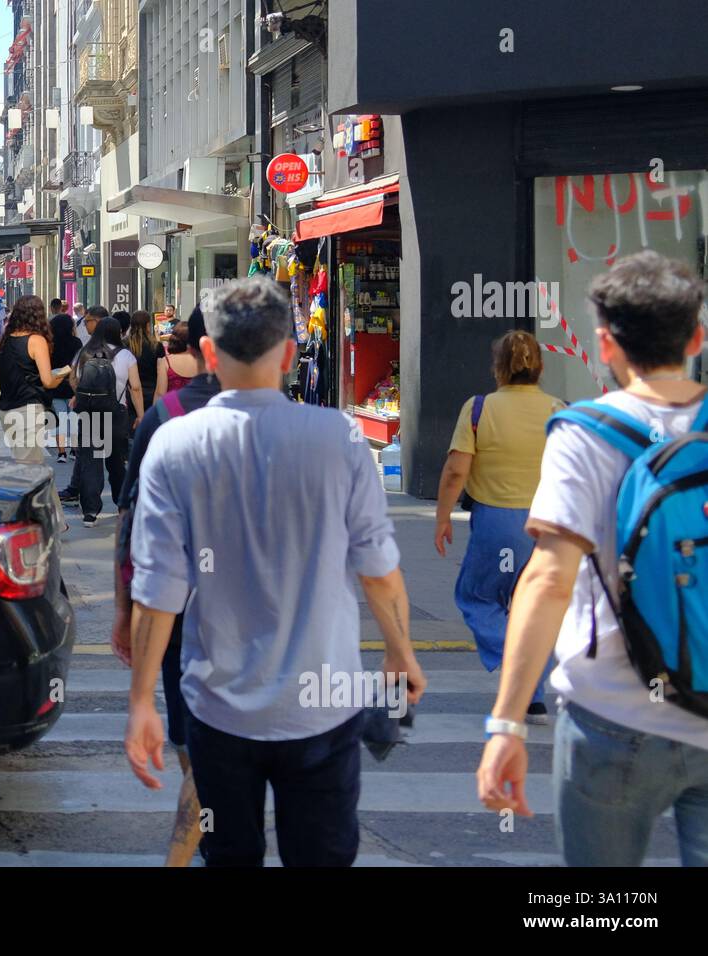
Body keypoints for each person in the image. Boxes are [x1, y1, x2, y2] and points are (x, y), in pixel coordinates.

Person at [124, 276, 426, 867]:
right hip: (323, 709)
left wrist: (140, 702)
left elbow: (158, 591)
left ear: (209, 355)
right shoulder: (338, 437)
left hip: (218, 712)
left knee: (230, 856)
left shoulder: (174, 444)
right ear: (290, 353)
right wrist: (400, 652)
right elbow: (379, 569)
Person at [478, 251, 708, 866]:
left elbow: (550, 579)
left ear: (604, 345)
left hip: (613, 714)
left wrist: (507, 724)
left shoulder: (584, 432)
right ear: (697, 336)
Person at [114, 304, 219, 866]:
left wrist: (123, 608)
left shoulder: (165, 417)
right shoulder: (297, 425)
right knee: (206, 743)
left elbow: (130, 522)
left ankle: (203, 835)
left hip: (178, 609)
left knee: (193, 736)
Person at [435, 331, 562, 722]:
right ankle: (533, 696)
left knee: (478, 597)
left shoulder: (478, 409)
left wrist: (442, 517)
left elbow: (457, 469)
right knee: (536, 608)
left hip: (497, 522)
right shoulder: (560, 410)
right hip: (548, 524)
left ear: (498, 368)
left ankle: (516, 659)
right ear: (539, 367)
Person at [0, 294, 70, 465]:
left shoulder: (1, 343)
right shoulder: (37, 341)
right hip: (29, 411)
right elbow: (48, 381)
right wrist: (64, 374)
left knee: (27, 464)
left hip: (7, 411)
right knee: (29, 469)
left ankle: (45, 492)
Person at [71, 315, 142, 527]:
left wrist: (83, 396)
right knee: (116, 462)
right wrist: (140, 414)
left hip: (90, 413)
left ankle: (90, 513)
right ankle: (122, 506)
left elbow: (73, 378)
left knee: (90, 462)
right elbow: (135, 387)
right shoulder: (126, 355)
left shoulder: (84, 352)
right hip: (116, 413)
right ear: (118, 332)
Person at [60, 305, 110, 502]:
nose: (85, 324)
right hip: (115, 409)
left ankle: (91, 503)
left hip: (91, 409)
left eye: (88, 320)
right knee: (98, 456)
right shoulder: (122, 350)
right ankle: (77, 488)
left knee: (92, 456)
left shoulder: (88, 351)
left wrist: (81, 394)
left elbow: (73, 377)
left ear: (98, 322)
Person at [48, 313, 82, 463]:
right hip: (72, 385)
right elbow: (79, 364)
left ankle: (62, 453)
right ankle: (74, 450)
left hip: (55, 385)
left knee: (60, 420)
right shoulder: (76, 342)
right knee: (73, 419)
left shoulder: (50, 343)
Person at [126, 310, 165, 409]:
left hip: (130, 395)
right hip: (153, 394)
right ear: (148, 325)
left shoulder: (124, 345)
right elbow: (162, 373)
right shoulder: (157, 346)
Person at [158, 323, 196, 398]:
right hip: (199, 407)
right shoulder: (202, 361)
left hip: (173, 407)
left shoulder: (166, 361)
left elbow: (160, 393)